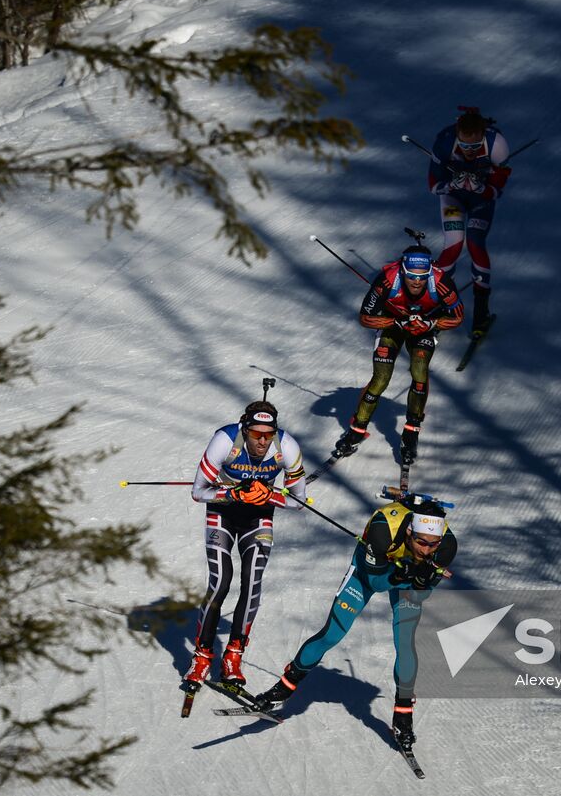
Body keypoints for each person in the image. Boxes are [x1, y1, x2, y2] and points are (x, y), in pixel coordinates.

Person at [252, 499, 457, 748]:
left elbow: (421, 594)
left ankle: (403, 714)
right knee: (332, 634)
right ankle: (283, 689)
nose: (426, 550)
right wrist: (400, 574)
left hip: (403, 578)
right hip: (368, 571)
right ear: (410, 533)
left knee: (405, 642)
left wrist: (423, 580)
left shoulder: (445, 547)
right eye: (421, 543)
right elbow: (376, 583)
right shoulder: (384, 531)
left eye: (431, 545)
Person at [185, 400, 307, 689]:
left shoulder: (287, 447)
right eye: (256, 435)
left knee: (252, 582)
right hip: (222, 514)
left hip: (259, 517)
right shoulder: (225, 440)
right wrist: (235, 493)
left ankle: (233, 657)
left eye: (268, 435)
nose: (263, 442)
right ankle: (202, 657)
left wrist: (270, 496)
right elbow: (198, 492)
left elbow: (299, 501)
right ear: (245, 429)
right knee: (220, 582)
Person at [334, 244, 464, 465]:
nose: (417, 281)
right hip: (392, 324)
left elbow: (457, 317)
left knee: (419, 371)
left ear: (429, 272)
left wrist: (431, 322)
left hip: (423, 328)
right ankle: (358, 428)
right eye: (412, 276)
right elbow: (365, 317)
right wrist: (396, 321)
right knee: (381, 377)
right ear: (403, 271)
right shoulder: (387, 279)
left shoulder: (441, 282)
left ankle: (411, 432)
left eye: (422, 277)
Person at [426, 107, 510, 334]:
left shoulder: (497, 144)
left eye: (474, 146)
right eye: (464, 146)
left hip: (480, 201)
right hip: (453, 198)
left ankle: (481, 313)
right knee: (453, 245)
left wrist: (483, 187)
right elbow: (433, 185)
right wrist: (451, 185)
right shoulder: (444, 142)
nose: (469, 151)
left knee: (474, 242)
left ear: (483, 134)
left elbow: (497, 190)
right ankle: (437, 305)